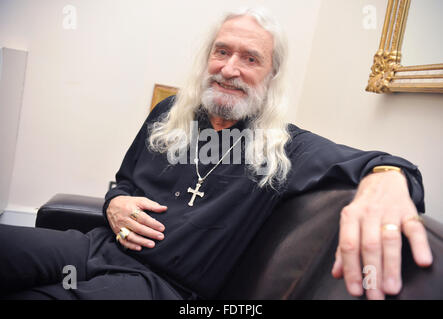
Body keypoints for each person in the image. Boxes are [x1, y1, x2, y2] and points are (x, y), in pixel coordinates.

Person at [0, 7, 432, 300]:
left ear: (272, 74)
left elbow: (381, 164)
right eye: (222, 51)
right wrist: (115, 203)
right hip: (95, 247)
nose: (229, 68)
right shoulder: (168, 112)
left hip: (159, 287)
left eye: (250, 58)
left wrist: (390, 181)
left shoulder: (286, 147)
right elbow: (124, 181)